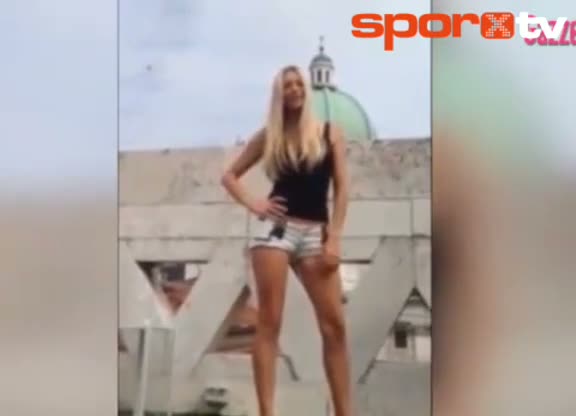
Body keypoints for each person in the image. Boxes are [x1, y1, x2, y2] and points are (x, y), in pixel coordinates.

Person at [221, 65, 351, 416]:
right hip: (276, 232)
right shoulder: (270, 136)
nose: (293, 89)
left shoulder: (329, 132)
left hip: (315, 233)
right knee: (269, 323)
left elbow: (342, 188)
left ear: (306, 89)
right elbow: (229, 176)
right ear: (279, 94)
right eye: (286, 85)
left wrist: (334, 237)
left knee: (335, 327)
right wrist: (255, 203)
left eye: (298, 84)